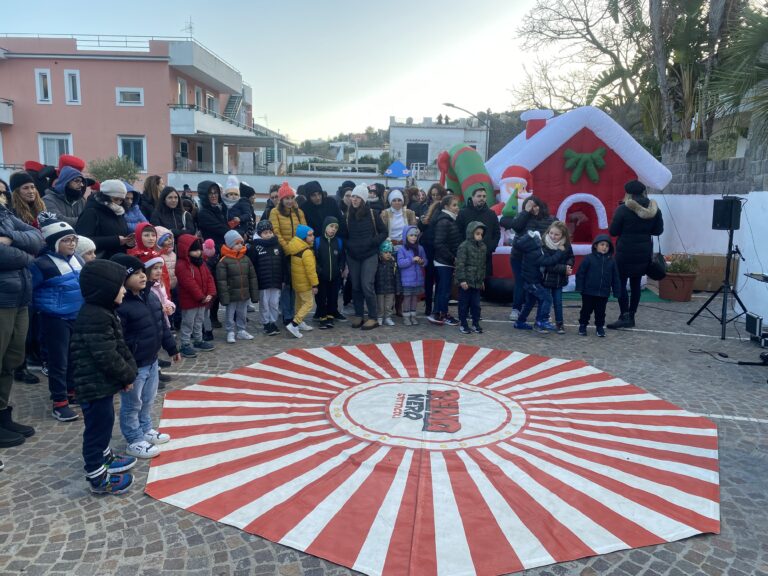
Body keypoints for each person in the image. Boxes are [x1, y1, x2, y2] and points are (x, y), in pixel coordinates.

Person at [70, 259, 138, 494]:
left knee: (105, 421)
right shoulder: (95, 316)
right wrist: (127, 375)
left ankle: (105, 456)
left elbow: (118, 345)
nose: (124, 290)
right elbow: (107, 355)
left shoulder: (103, 311)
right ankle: (97, 476)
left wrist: (126, 373)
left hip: (101, 384)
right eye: (120, 286)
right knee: (98, 428)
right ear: (104, 290)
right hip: (92, 385)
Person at [111, 254, 179, 458]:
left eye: (143, 272)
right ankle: (134, 439)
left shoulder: (150, 296)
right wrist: (124, 371)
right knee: (132, 404)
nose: (142, 276)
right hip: (134, 365)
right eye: (136, 273)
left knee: (148, 400)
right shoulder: (121, 305)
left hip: (152, 360)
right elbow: (118, 341)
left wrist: (171, 347)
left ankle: (146, 428)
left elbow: (161, 325)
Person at [0, 198, 44, 458]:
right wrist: (26, 254)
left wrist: (10, 240)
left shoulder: (4, 213)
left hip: (20, 297)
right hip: (2, 298)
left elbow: (37, 236)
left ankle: (2, 413)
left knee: (12, 358)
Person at [30, 213, 85, 421]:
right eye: (67, 240)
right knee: (58, 361)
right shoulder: (42, 264)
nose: (72, 244)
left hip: (75, 316)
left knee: (74, 357)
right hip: (54, 320)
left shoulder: (77, 259)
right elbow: (30, 290)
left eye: (74, 240)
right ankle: (59, 402)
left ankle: (71, 391)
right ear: (54, 243)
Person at [607, 180, 664, 329]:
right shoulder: (654, 209)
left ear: (629, 193)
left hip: (625, 252)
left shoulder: (623, 209)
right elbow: (658, 231)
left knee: (620, 283)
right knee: (636, 284)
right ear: (643, 192)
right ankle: (631, 316)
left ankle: (624, 315)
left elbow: (613, 231)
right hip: (643, 252)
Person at [501, 196, 555, 322]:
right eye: (530, 206)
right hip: (519, 257)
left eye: (536, 205)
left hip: (539, 259)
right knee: (520, 282)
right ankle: (516, 308)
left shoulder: (550, 219)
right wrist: (525, 211)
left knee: (540, 285)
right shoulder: (522, 217)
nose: (533, 208)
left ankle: (543, 312)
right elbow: (515, 226)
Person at [344, 184, 386, 330]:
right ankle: (359, 314)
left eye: (357, 197)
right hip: (353, 255)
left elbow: (383, 232)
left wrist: (372, 242)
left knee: (366, 285)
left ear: (363, 199)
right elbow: (344, 235)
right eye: (352, 196)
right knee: (355, 285)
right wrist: (349, 246)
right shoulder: (348, 214)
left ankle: (373, 317)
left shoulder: (373, 214)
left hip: (369, 255)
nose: (353, 199)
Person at [270, 182, 307, 326]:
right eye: (287, 198)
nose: (290, 201)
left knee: (297, 284)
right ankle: (287, 313)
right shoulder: (275, 212)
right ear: (281, 199)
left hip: (298, 252)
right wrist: (287, 249)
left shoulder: (299, 212)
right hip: (284, 254)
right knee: (286, 285)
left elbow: (304, 230)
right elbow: (276, 232)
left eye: (292, 197)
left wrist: (301, 248)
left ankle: (297, 314)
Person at [175, 234, 217, 358]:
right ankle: (185, 344)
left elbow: (209, 278)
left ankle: (198, 340)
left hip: (202, 299)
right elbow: (189, 283)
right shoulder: (182, 265)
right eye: (194, 250)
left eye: (199, 249)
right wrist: (201, 296)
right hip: (190, 301)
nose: (198, 252)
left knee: (199, 321)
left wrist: (210, 293)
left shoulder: (201, 263)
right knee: (188, 322)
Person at [195, 181, 228, 329]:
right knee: (212, 286)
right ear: (204, 195)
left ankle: (214, 317)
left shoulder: (221, 208)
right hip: (212, 253)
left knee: (221, 286)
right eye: (210, 193)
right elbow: (221, 229)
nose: (214, 196)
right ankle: (209, 319)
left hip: (223, 250)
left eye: (216, 193)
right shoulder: (204, 212)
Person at [216, 230, 259, 344]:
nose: (240, 245)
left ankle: (241, 330)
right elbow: (221, 281)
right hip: (231, 294)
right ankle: (230, 331)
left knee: (242, 313)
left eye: (241, 243)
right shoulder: (223, 261)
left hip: (244, 293)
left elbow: (252, 277)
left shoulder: (246, 259)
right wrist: (224, 296)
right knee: (230, 313)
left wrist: (253, 293)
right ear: (230, 245)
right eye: (237, 243)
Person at [75, 179, 135, 259]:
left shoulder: (119, 212)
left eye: (121, 200)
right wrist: (115, 241)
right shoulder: (91, 212)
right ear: (105, 196)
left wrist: (128, 242)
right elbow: (82, 240)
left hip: (117, 259)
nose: (118, 203)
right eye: (115, 199)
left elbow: (120, 236)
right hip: (99, 260)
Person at [576, 235, 622, 337]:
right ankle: (583, 325)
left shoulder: (612, 261)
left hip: (603, 292)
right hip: (588, 292)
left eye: (607, 245)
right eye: (602, 244)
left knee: (600, 312)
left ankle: (600, 327)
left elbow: (615, 277)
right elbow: (580, 273)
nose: (604, 247)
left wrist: (617, 291)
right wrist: (579, 287)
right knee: (586, 310)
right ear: (596, 246)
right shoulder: (588, 258)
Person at [428, 195, 462, 326]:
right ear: (446, 207)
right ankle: (440, 314)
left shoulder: (450, 220)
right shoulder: (444, 221)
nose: (457, 208)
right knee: (444, 288)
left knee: (444, 288)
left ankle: (440, 312)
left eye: (457, 205)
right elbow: (439, 243)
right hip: (444, 261)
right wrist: (452, 257)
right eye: (454, 205)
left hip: (446, 260)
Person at [455, 185, 501, 277]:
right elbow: (458, 233)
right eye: (479, 196)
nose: (482, 198)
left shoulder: (491, 214)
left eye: (484, 196)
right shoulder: (463, 213)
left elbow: (497, 233)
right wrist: (463, 249)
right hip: (467, 256)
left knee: (486, 284)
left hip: (486, 256)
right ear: (472, 197)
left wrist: (491, 247)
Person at [248, 220, 284, 336]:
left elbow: (283, 262)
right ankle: (266, 323)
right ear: (260, 234)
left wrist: (284, 278)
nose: (268, 234)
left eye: (269, 232)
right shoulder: (255, 247)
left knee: (274, 302)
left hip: (276, 280)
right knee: (264, 303)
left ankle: (273, 321)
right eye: (265, 233)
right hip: (263, 281)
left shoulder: (278, 245)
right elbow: (252, 265)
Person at [541, 221, 575, 334]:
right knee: (546, 301)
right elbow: (548, 264)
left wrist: (569, 265)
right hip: (546, 279)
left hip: (560, 280)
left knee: (558, 302)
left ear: (563, 235)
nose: (553, 236)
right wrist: (564, 268)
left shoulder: (566, 245)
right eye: (551, 233)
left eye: (556, 234)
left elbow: (571, 257)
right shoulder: (544, 245)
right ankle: (542, 321)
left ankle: (559, 323)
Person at [418, 183, 447, 316]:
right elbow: (421, 228)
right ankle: (428, 305)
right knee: (429, 277)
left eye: (438, 195)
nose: (435, 197)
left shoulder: (445, 208)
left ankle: (438, 306)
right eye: (433, 194)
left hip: (440, 245)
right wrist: (422, 222)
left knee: (440, 278)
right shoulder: (424, 207)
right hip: (428, 244)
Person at [285, 225, 318, 339]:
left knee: (299, 303)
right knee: (308, 303)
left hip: (297, 282)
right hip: (305, 283)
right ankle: (294, 324)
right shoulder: (306, 251)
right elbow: (311, 271)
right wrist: (314, 284)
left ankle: (300, 322)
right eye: (310, 235)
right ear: (303, 237)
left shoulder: (295, 247)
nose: (313, 237)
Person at [455, 222, 488, 335]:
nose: (480, 236)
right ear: (471, 233)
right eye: (477, 233)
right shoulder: (464, 246)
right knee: (464, 304)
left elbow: (482, 265)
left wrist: (482, 279)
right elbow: (460, 264)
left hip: (477, 282)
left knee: (476, 305)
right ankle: (463, 324)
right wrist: (462, 280)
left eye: (481, 234)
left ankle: (475, 323)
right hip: (466, 281)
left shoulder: (483, 247)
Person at [313, 216, 345, 329]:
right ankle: (322, 317)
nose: (333, 229)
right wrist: (319, 270)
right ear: (325, 227)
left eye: (336, 227)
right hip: (321, 276)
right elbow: (314, 258)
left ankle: (330, 316)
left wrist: (341, 267)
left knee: (333, 297)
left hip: (335, 276)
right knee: (321, 297)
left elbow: (341, 257)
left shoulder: (339, 242)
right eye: (331, 226)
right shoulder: (317, 241)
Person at [396, 225, 427, 326]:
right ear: (406, 236)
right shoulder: (402, 249)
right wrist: (411, 260)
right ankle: (406, 317)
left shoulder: (420, 248)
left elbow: (425, 261)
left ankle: (413, 315)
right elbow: (400, 263)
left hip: (417, 279)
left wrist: (422, 262)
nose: (414, 237)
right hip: (407, 280)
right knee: (407, 298)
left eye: (415, 235)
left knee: (415, 298)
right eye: (411, 235)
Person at [221, 176, 255, 242]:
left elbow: (248, 214)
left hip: (240, 230)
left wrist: (240, 218)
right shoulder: (224, 204)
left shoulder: (242, 202)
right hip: (228, 230)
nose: (233, 196)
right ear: (227, 195)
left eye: (235, 194)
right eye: (231, 194)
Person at [375, 239, 398, 326]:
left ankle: (388, 317)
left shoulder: (393, 263)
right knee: (380, 305)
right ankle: (380, 317)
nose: (388, 254)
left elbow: (396, 276)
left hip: (390, 288)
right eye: (386, 252)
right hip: (379, 288)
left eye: (390, 252)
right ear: (381, 253)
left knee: (389, 305)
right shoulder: (377, 263)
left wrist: (397, 288)